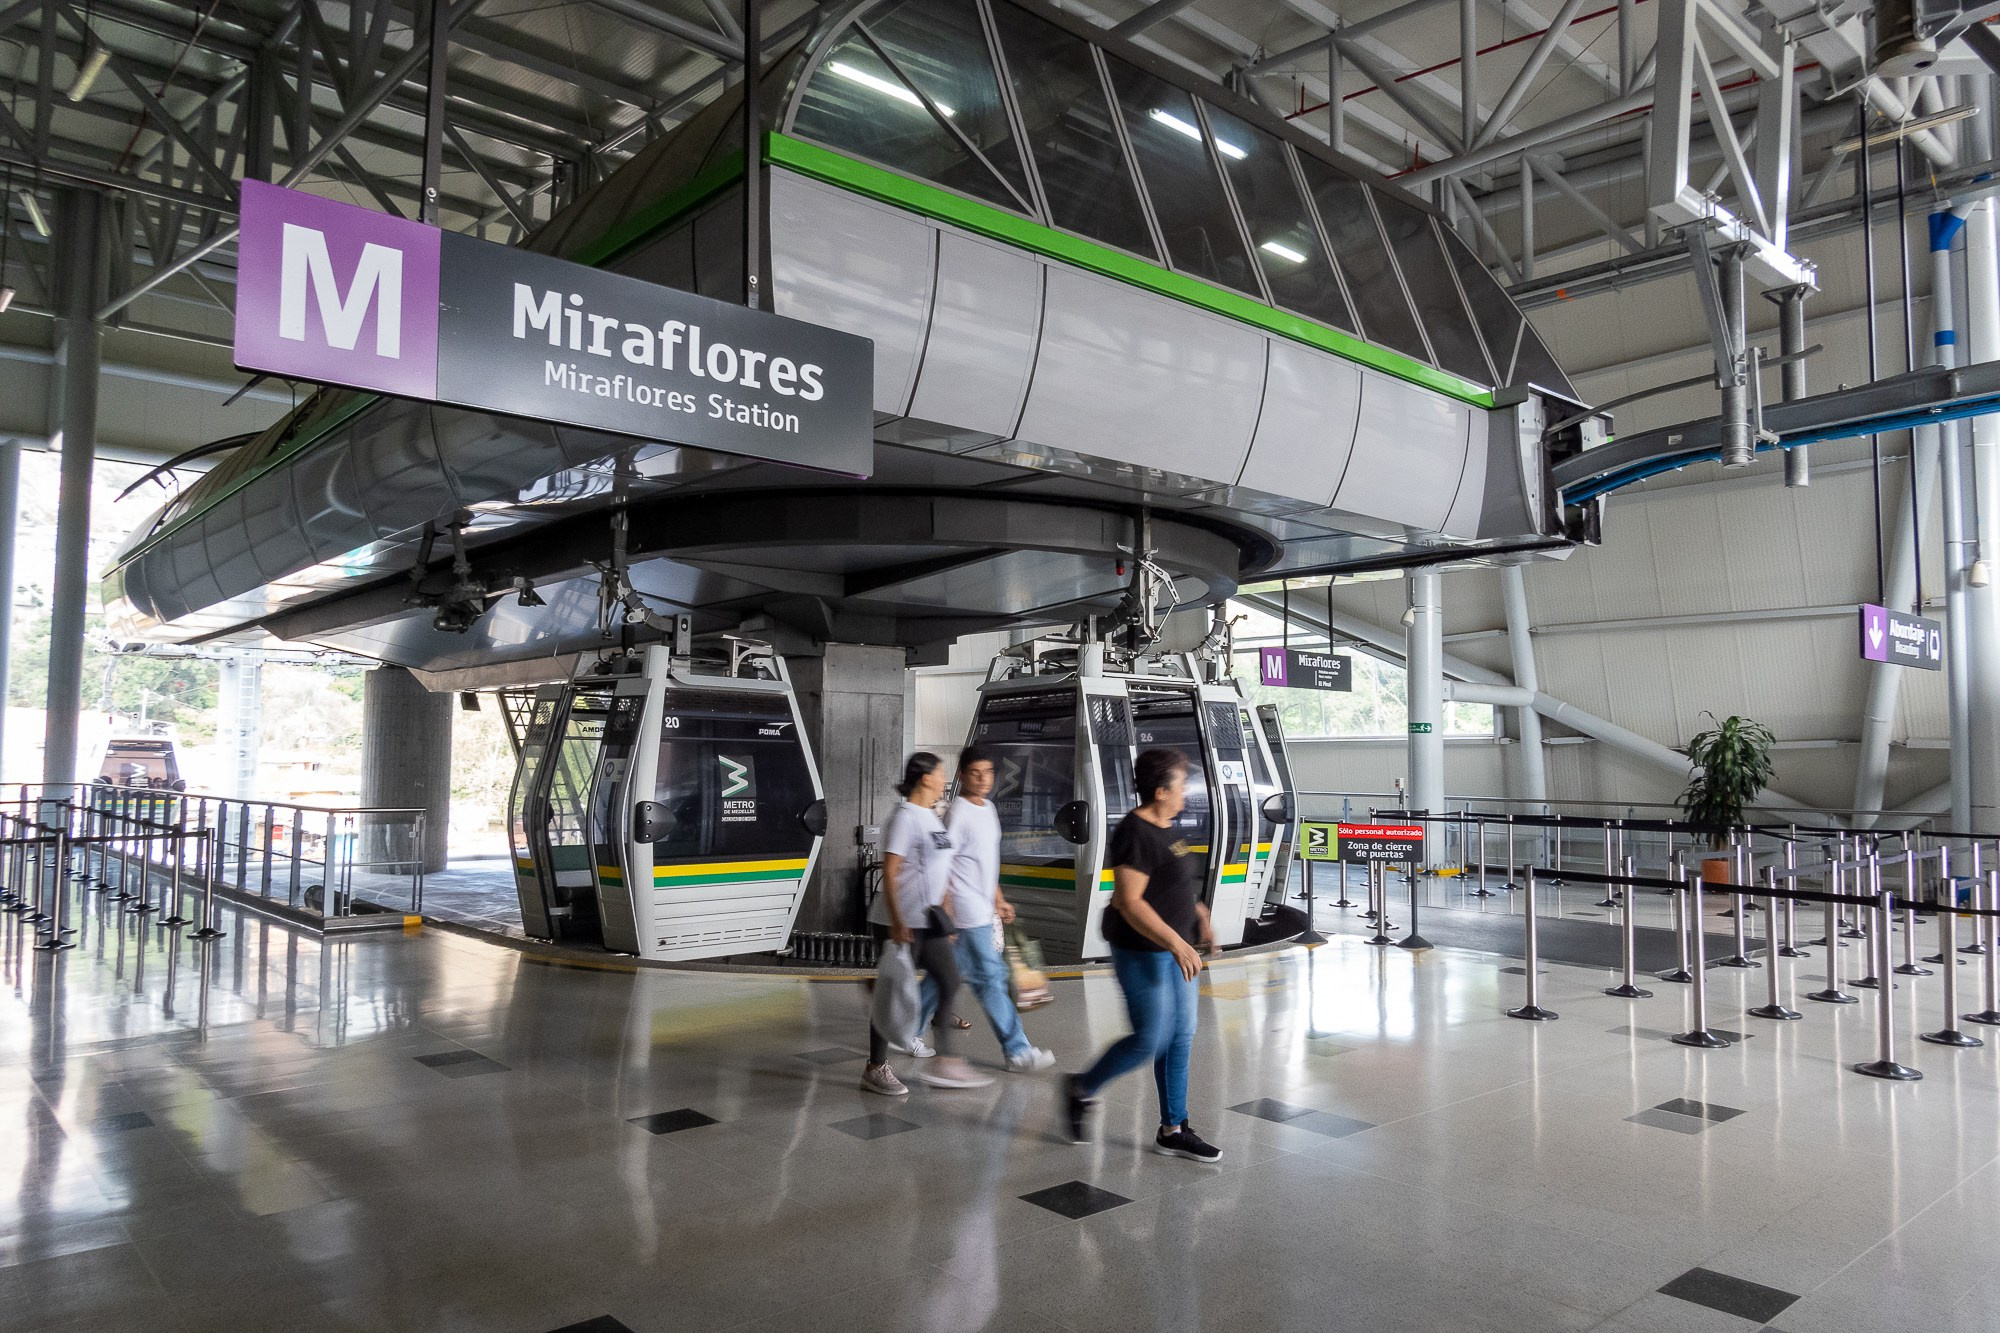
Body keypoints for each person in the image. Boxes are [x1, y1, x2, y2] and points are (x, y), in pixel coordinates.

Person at [1060, 747, 1221, 1163]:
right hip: (1142, 951)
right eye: (1181, 784)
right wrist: (1177, 942)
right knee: (1151, 1038)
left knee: (1181, 1034)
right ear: (1161, 790)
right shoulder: (1134, 832)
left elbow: (1172, 883)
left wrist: (1199, 914)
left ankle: (1173, 1129)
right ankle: (1081, 1087)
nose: (1186, 791)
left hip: (1174, 947)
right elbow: (1129, 902)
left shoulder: (1169, 827)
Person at [863, 752, 994, 1096]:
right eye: (940, 774)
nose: (944, 780)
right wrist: (897, 921)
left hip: (929, 919)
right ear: (925, 778)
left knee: (949, 979)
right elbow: (890, 872)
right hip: (901, 920)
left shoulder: (932, 816)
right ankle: (876, 1067)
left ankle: (946, 1062)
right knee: (893, 994)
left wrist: (946, 912)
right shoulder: (905, 817)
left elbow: (941, 866)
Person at [917, 747, 1055, 1072]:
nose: (983, 779)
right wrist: (946, 913)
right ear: (962, 775)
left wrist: (999, 899)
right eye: (975, 773)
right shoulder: (958, 813)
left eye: (988, 772)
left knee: (944, 977)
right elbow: (943, 865)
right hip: (965, 912)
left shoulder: (988, 808)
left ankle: (904, 1027)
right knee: (992, 978)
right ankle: (1018, 1051)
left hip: (982, 908)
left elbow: (985, 863)